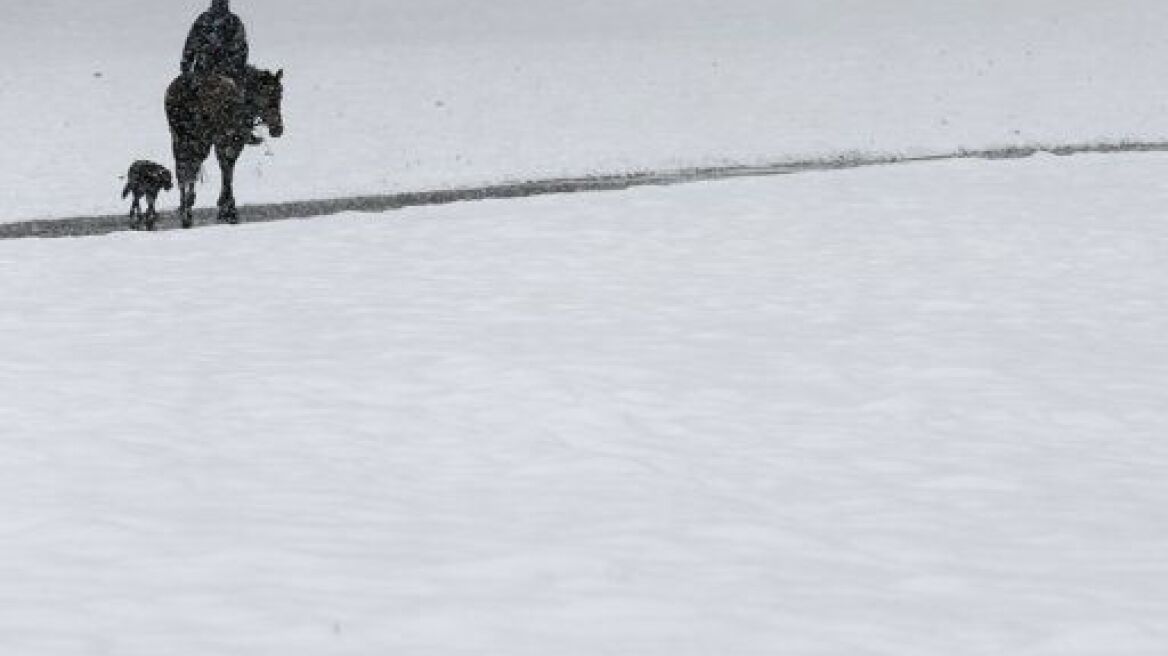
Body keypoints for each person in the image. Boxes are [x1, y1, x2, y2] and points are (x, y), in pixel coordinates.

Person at [181, 0, 261, 144]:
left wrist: (187, 64)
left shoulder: (231, 21)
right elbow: (192, 43)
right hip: (207, 70)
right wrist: (187, 65)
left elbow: (241, 47)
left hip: (221, 70)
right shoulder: (206, 20)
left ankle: (244, 128)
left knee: (244, 94)